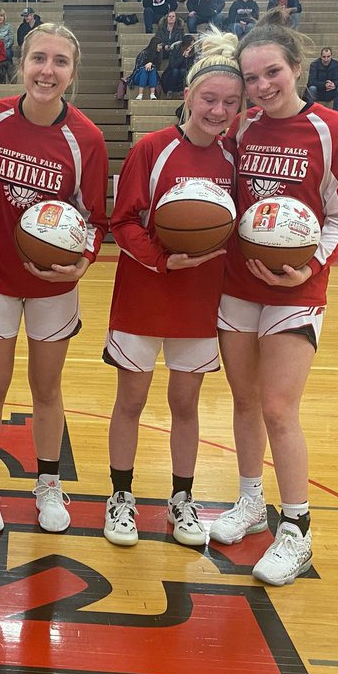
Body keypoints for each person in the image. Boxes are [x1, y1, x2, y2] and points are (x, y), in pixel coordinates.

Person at [210, 11, 338, 586]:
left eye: (271, 72)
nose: (262, 86)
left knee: (278, 407)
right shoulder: (241, 130)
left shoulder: (334, 131)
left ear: (297, 67)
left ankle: (296, 529)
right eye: (251, 78)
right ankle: (251, 503)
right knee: (244, 401)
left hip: (297, 287)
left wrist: (307, 267)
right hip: (237, 283)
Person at [103, 29, 244, 549]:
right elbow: (122, 222)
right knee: (131, 401)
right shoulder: (152, 149)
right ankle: (121, 497)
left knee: (187, 404)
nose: (218, 110)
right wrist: (165, 258)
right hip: (146, 291)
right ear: (187, 96)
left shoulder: (234, 158)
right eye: (209, 99)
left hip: (201, 299)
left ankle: (183, 498)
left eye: (231, 102)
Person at [0, 24, 108, 535]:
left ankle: (48, 484)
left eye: (60, 62)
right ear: (21, 64)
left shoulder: (86, 138)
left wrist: (84, 260)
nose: (48, 71)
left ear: (72, 72)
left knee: (47, 388)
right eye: (39, 59)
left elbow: (94, 218)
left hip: (53, 284)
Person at [306, 47, 338, 112]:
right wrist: (325, 84)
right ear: (321, 56)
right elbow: (311, 82)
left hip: (330, 91)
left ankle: (337, 113)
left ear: (331, 56)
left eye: (328, 56)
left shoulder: (335, 64)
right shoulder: (314, 64)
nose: (326, 59)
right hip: (318, 91)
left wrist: (334, 84)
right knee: (312, 88)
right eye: (324, 57)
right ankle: (310, 111)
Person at [128, 35, 161, 100]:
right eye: (159, 45)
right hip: (138, 76)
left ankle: (152, 94)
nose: (161, 47)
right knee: (144, 70)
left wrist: (151, 64)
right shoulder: (144, 53)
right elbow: (137, 67)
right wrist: (146, 65)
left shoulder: (158, 54)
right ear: (155, 45)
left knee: (153, 69)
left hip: (151, 77)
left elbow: (158, 66)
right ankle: (140, 94)